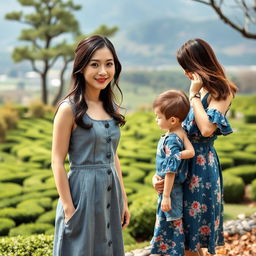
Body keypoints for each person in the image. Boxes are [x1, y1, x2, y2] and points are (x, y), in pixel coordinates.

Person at [153, 39, 238, 256]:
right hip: (183, 169)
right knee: (185, 238)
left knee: (192, 239)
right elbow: (177, 135)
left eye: (187, 68)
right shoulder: (198, 92)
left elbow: (207, 129)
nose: (185, 74)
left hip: (201, 171)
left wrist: (194, 96)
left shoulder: (221, 91)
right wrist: (161, 174)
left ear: (199, 64)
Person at [52, 35, 130, 256]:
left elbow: (113, 156)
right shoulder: (69, 109)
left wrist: (123, 199)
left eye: (109, 63)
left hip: (110, 193)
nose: (103, 71)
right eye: (95, 64)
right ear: (81, 67)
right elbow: (56, 161)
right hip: (81, 196)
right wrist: (68, 209)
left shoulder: (111, 108)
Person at [150, 90, 195, 256]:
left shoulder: (171, 140)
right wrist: (178, 155)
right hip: (174, 188)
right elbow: (191, 152)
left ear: (173, 120)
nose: (156, 120)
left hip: (171, 190)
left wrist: (166, 195)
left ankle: (170, 252)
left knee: (170, 222)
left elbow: (170, 171)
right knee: (173, 222)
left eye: (159, 117)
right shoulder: (180, 132)